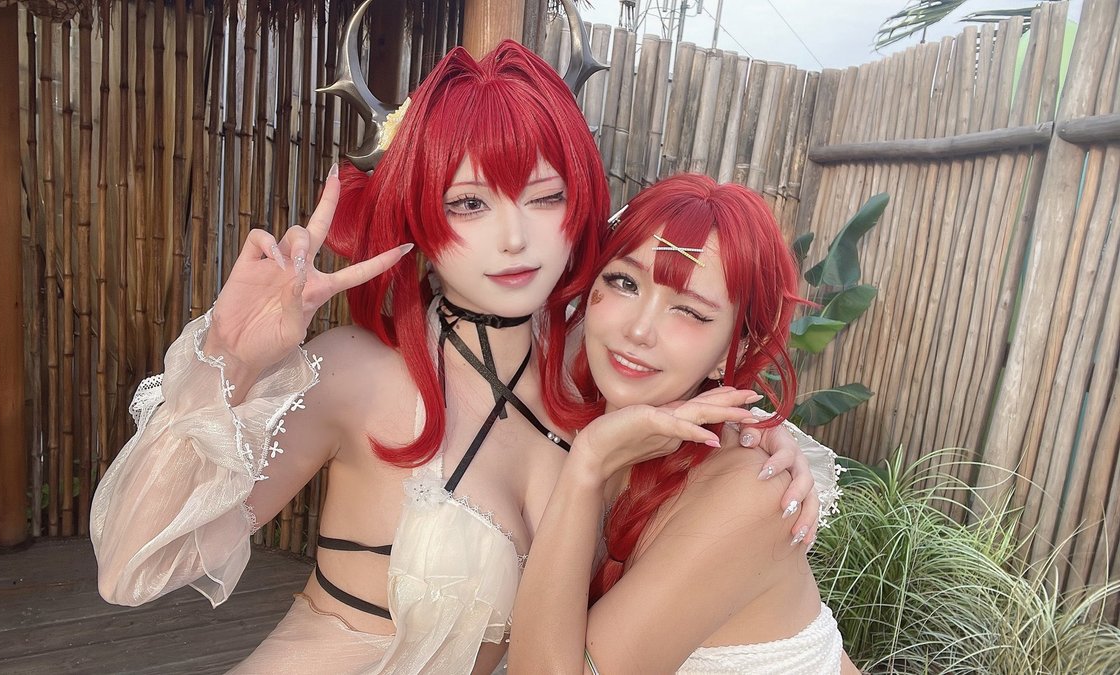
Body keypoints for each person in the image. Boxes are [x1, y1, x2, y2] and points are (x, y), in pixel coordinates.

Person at [90, 8, 836, 673]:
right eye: (470, 203)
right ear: (418, 212)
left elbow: (687, 328)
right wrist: (228, 359)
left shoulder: (596, 369)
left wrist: (758, 435)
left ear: (579, 206)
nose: (514, 238)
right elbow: (132, 571)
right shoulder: (354, 375)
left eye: (545, 197)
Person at [510, 175, 858, 674]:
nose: (638, 329)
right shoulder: (562, 387)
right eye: (625, 283)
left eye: (690, 311)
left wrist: (587, 465)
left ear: (732, 350)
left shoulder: (750, 492)